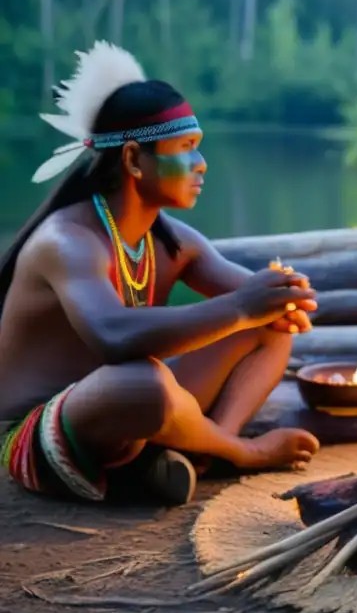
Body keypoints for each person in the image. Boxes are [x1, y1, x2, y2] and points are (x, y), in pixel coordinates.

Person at [0, 41, 321, 508]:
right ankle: (237, 450)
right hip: (41, 434)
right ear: (133, 160)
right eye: (186, 148)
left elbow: (257, 305)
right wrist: (240, 306)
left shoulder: (173, 241)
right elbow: (113, 335)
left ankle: (204, 450)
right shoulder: (66, 241)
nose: (201, 163)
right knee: (145, 382)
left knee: (269, 326)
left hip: (132, 413)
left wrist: (284, 297)